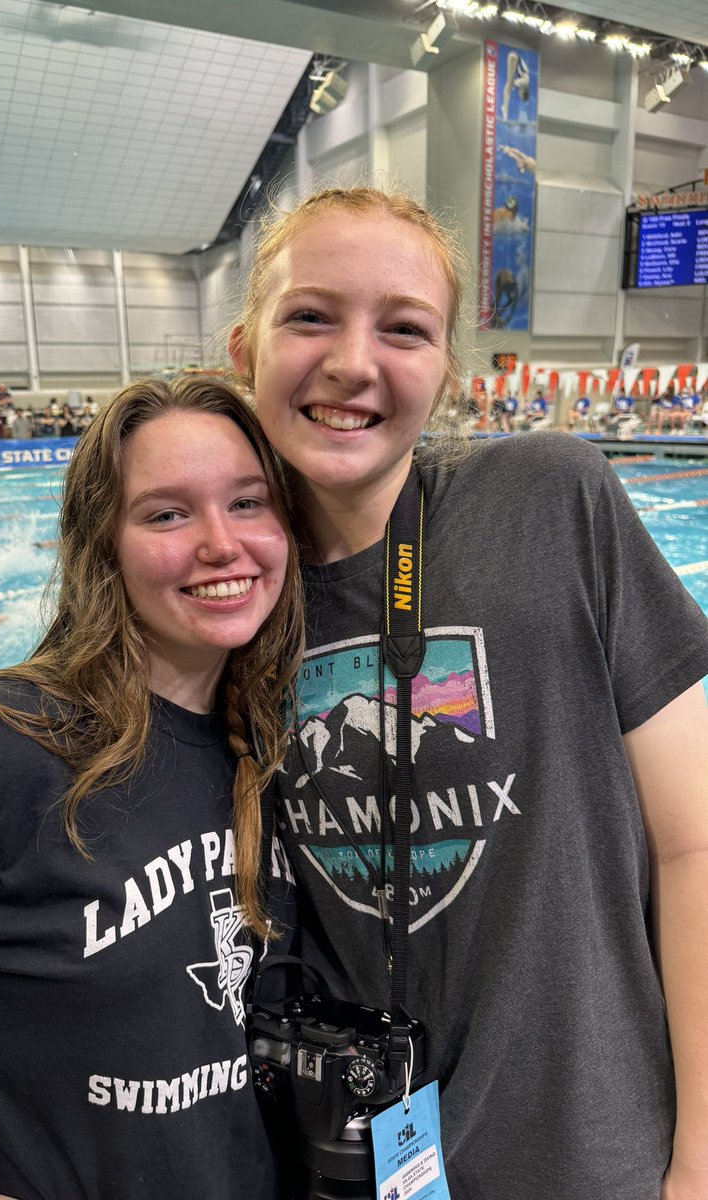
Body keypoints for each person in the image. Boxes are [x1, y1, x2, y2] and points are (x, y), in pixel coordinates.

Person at [227, 184, 708, 1200]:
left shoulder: (553, 502)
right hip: (359, 1158)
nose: (353, 362)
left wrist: (701, 1159)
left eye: (405, 329)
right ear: (245, 352)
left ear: (446, 373)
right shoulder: (226, 598)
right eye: (310, 315)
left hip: (597, 1154)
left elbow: (695, 840)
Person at [0, 375, 303, 1200]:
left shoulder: (267, 743)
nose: (222, 543)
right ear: (101, 541)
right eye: (168, 513)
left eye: (249, 502)